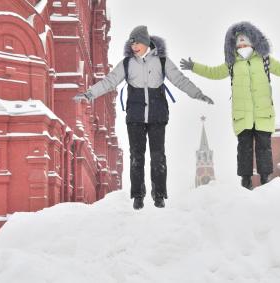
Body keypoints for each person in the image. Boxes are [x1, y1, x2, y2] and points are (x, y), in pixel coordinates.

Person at [73, 25, 213, 209]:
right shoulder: (127, 63)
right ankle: (138, 195)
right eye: (132, 43)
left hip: (157, 115)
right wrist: (88, 94)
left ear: (146, 43)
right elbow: (109, 82)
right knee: (136, 157)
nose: (134, 46)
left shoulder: (162, 61)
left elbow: (180, 80)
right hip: (136, 117)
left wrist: (198, 94)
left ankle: (159, 194)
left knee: (158, 156)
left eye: (137, 42)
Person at [180, 21, 280, 190]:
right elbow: (213, 72)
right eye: (239, 42)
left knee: (264, 148)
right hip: (242, 115)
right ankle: (245, 180)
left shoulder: (264, 60)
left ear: (253, 41)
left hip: (263, 114)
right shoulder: (232, 64)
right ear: (233, 45)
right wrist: (194, 67)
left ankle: (265, 179)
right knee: (244, 148)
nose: (242, 45)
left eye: (245, 41)